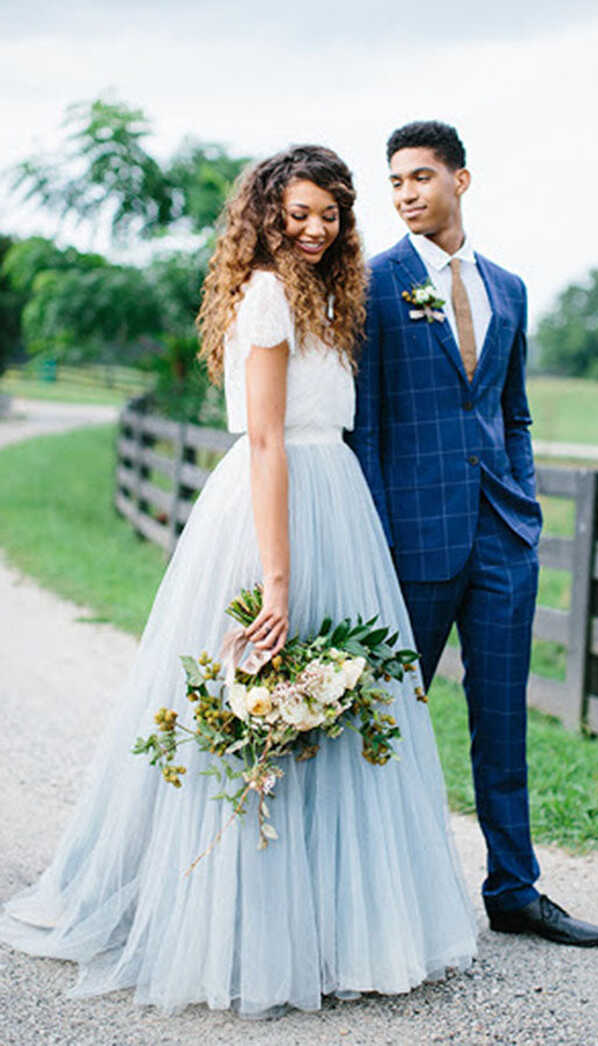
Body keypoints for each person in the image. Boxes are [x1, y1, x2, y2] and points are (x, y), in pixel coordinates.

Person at [0, 145, 477, 1017]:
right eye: (297, 213)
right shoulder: (263, 296)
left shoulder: (331, 295)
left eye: (328, 215)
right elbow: (264, 442)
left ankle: (337, 929)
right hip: (274, 509)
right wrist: (278, 581)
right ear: (265, 213)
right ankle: (240, 930)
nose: (313, 229)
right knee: (258, 696)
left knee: (335, 708)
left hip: (336, 503)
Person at [348, 121, 598, 947]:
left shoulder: (508, 287)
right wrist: (380, 540)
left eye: (420, 177)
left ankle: (514, 891)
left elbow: (512, 410)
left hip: (502, 539)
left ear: (462, 180)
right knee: (386, 722)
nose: (405, 194)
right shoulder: (372, 285)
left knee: (503, 722)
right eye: (394, 182)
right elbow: (366, 429)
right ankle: (372, 898)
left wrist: (522, 505)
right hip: (412, 543)